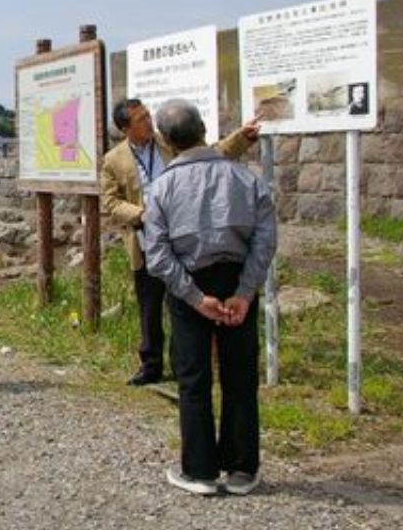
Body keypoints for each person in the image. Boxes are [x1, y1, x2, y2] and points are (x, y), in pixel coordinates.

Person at [141, 99, 276, 497]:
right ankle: (241, 469)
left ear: (166, 140)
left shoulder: (162, 187)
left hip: (189, 286)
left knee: (193, 378)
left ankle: (199, 471)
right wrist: (245, 292)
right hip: (236, 279)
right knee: (240, 376)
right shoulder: (246, 179)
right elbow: (265, 240)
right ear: (203, 128)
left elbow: (157, 255)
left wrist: (195, 297)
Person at [101, 98, 258, 386]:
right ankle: (151, 365)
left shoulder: (168, 142)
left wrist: (241, 138)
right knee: (149, 307)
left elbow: (212, 153)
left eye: (148, 115)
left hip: (184, 237)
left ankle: (183, 364)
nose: (148, 122)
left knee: (183, 302)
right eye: (140, 119)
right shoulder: (114, 159)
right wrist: (143, 215)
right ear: (125, 128)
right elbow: (110, 202)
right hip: (145, 240)